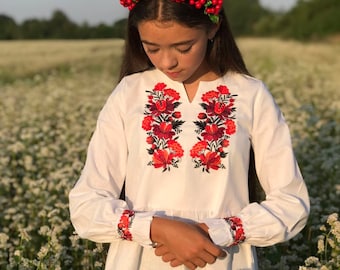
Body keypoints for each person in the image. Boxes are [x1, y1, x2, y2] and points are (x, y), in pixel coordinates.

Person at [69, 0, 310, 269]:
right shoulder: (129, 93)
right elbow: (86, 205)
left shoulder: (251, 95)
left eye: (184, 47)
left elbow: (292, 203)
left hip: (221, 258)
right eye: (152, 48)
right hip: (139, 259)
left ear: (212, 28)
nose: (167, 61)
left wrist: (217, 231)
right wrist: (158, 229)